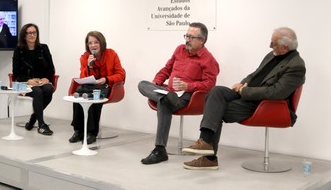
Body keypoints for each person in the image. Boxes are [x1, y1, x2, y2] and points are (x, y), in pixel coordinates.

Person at [182, 27, 306, 170]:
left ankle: (208, 156)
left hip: (264, 105)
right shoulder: (272, 55)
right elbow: (254, 74)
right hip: (247, 94)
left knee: (216, 109)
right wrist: (242, 83)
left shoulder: (296, 65)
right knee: (216, 92)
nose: (270, 46)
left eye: (273, 43)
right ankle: (205, 142)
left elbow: (276, 93)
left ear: (285, 47)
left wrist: (245, 91)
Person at [138, 22, 220, 165]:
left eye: (191, 37)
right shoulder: (179, 50)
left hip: (188, 97)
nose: (187, 40)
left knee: (164, 101)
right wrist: (155, 84)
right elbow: (166, 69)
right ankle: (163, 95)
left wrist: (188, 86)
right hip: (169, 91)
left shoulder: (209, 60)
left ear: (202, 40)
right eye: (186, 36)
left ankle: (159, 150)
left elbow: (209, 85)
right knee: (142, 84)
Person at [69, 31, 125, 144]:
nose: (93, 45)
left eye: (96, 42)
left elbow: (121, 74)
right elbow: (82, 77)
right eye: (90, 43)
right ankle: (78, 131)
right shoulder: (85, 57)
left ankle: (91, 133)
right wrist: (89, 66)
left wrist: (106, 79)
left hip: (106, 86)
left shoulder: (111, 54)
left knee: (95, 97)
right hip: (89, 86)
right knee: (78, 93)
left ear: (102, 43)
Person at [12, 23, 56, 135]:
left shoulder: (43, 48)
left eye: (34, 32)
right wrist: (28, 80)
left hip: (41, 81)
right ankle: (41, 125)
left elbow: (51, 68)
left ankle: (33, 118)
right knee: (37, 91)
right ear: (24, 35)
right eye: (29, 33)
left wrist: (47, 78)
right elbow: (16, 73)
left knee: (48, 90)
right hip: (24, 83)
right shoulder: (18, 50)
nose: (32, 35)